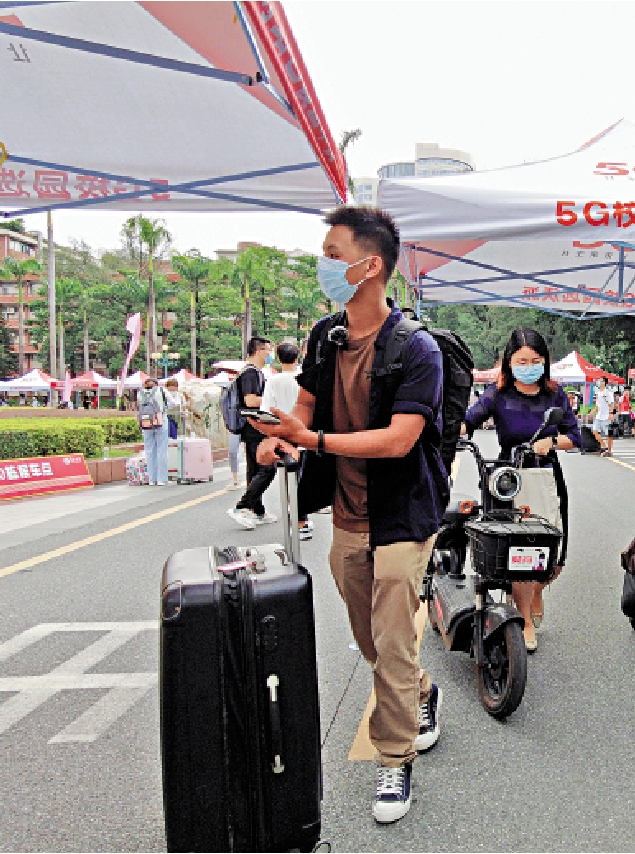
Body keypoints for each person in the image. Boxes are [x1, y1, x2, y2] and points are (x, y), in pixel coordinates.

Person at [251, 205, 446, 825]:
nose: (324, 264)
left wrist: (313, 443)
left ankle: (395, 759)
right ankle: (420, 693)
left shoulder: (418, 349)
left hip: (403, 515)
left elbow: (398, 440)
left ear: (371, 266)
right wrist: (283, 434)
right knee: (371, 639)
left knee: (390, 636)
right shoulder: (325, 335)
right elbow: (306, 403)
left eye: (333, 254)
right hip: (348, 514)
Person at [464, 328, 582, 653]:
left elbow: (577, 436)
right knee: (520, 552)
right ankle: (523, 618)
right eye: (522, 360)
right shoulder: (498, 394)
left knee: (551, 557)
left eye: (536, 360)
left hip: (546, 477)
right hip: (509, 481)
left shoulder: (555, 395)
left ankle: (536, 590)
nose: (529, 365)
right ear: (509, 362)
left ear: (545, 362)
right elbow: (469, 421)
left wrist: (552, 441)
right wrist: (447, 429)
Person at [226, 336, 278, 530]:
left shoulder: (252, 372)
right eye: (268, 350)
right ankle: (243, 506)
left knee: (255, 470)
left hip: (251, 426)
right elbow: (250, 401)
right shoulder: (250, 373)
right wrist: (271, 399)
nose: (270, 354)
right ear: (258, 351)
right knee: (266, 469)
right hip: (254, 426)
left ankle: (258, 510)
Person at [262, 342, 312, 540]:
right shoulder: (305, 377)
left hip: (283, 437)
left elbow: (266, 410)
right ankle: (302, 520)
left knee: (288, 478)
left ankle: (296, 519)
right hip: (307, 436)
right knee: (303, 478)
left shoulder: (273, 381)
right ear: (297, 357)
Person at [138, 376, 170, 486]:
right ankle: (162, 479)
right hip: (160, 420)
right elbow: (172, 402)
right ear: (156, 383)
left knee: (149, 450)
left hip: (145, 422)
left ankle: (152, 479)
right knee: (162, 449)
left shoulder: (140, 393)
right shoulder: (162, 390)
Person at [590, 378, 615, 455]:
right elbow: (598, 405)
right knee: (595, 431)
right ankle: (603, 446)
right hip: (599, 416)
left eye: (601, 381)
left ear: (605, 383)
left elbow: (612, 404)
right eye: (599, 381)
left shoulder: (608, 393)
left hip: (606, 416)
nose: (600, 382)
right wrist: (593, 412)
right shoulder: (598, 393)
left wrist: (611, 414)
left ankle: (609, 451)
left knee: (608, 434)